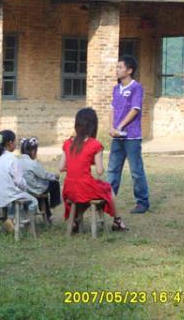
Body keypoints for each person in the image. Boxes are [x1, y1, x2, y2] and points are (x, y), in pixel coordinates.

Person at [59, 108, 128, 231]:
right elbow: (100, 171)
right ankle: (118, 220)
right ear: (93, 125)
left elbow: (61, 167)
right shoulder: (95, 144)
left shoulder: (68, 143)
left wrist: (77, 165)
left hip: (69, 188)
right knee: (107, 188)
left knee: (81, 193)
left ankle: (75, 220)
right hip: (84, 187)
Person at [108, 55, 150, 214]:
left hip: (131, 136)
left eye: (120, 67)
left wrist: (120, 126)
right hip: (117, 137)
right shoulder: (116, 88)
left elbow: (134, 110)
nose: (117, 70)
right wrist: (111, 127)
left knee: (136, 170)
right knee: (113, 170)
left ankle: (142, 202)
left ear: (130, 70)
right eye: (117, 67)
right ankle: (109, 200)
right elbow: (112, 109)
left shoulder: (136, 87)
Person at [0, 130, 38, 234]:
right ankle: (20, 223)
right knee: (32, 201)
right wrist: (24, 188)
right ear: (10, 143)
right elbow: (19, 182)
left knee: (17, 197)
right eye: (15, 141)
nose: (16, 144)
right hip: (10, 194)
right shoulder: (12, 159)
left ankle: (10, 220)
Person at [19, 137, 61, 223]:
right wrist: (54, 176)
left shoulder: (16, 161)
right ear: (33, 152)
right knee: (55, 184)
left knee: (43, 192)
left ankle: (48, 215)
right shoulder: (33, 163)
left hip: (23, 189)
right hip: (34, 188)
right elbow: (44, 175)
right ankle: (54, 202)